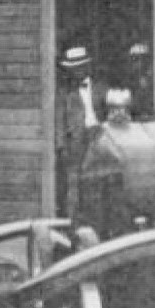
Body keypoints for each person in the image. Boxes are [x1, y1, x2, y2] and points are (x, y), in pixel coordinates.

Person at [54, 45, 108, 215]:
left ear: (87, 67)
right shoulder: (64, 93)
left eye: (80, 67)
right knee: (74, 182)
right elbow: (59, 120)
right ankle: (73, 220)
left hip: (98, 136)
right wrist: (61, 146)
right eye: (73, 69)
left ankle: (96, 216)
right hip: (76, 140)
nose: (77, 72)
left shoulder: (101, 88)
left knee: (98, 178)